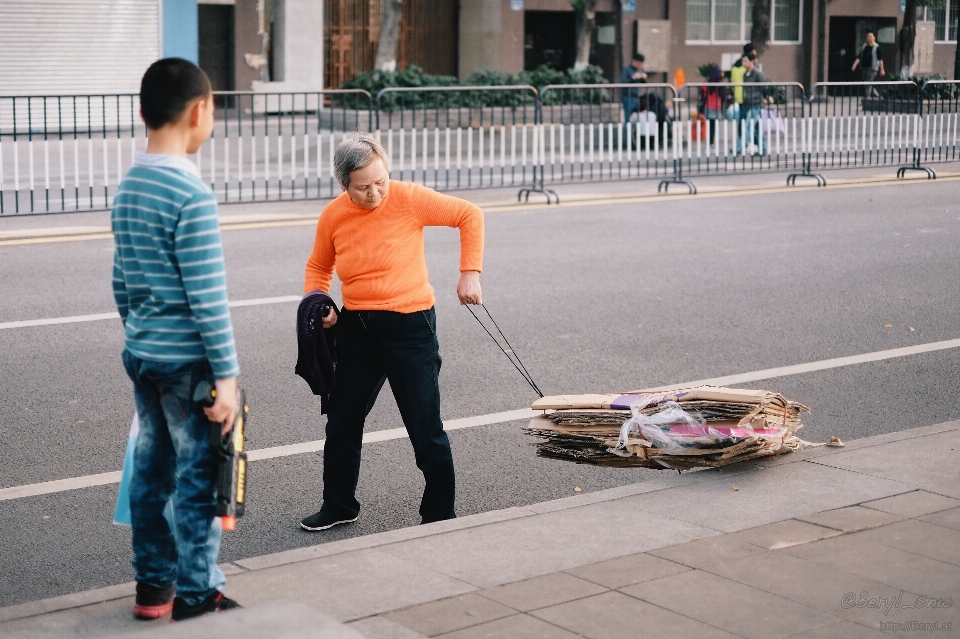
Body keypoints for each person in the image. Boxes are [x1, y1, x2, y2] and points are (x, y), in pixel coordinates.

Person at [111, 58, 241, 622]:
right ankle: (197, 592)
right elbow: (208, 299)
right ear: (199, 112)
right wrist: (228, 378)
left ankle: (153, 588)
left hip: (143, 354)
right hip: (190, 362)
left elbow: (122, 280)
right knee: (197, 476)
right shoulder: (191, 192)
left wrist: (140, 335)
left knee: (150, 469)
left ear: (143, 112)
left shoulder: (131, 184)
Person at [301, 132, 484, 531]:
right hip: (357, 328)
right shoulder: (333, 215)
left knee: (424, 426)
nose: (376, 193)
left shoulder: (409, 197)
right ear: (343, 184)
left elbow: (469, 214)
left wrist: (469, 272)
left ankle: (439, 515)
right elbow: (318, 268)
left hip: (409, 324)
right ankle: (339, 505)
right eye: (363, 187)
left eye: (381, 180)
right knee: (343, 421)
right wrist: (321, 304)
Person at [739, 53, 770, 155]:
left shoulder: (757, 74)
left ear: (752, 61)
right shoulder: (745, 75)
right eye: (742, 61)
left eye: (745, 61)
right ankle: (763, 149)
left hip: (756, 103)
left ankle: (739, 148)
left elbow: (764, 87)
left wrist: (766, 97)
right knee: (756, 128)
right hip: (748, 104)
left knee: (748, 126)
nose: (743, 63)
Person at [730, 43, 757, 147]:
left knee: (742, 120)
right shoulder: (748, 66)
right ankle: (749, 143)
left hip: (739, 97)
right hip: (749, 96)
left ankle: (742, 143)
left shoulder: (734, 66)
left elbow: (732, 83)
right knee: (752, 121)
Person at [852, 30, 884, 97]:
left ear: (874, 38)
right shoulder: (864, 46)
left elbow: (880, 59)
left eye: (870, 36)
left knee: (868, 83)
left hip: (872, 68)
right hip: (864, 67)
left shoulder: (876, 47)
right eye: (867, 37)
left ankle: (867, 99)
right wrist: (854, 65)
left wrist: (882, 69)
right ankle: (878, 96)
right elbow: (859, 57)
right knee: (867, 83)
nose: (868, 38)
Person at [621, 52, 648, 120]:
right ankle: (627, 130)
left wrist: (644, 78)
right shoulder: (627, 69)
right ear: (634, 61)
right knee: (628, 118)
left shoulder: (641, 70)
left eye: (641, 64)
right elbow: (623, 82)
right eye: (638, 63)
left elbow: (645, 83)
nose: (640, 65)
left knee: (639, 117)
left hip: (639, 97)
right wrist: (633, 78)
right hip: (629, 97)